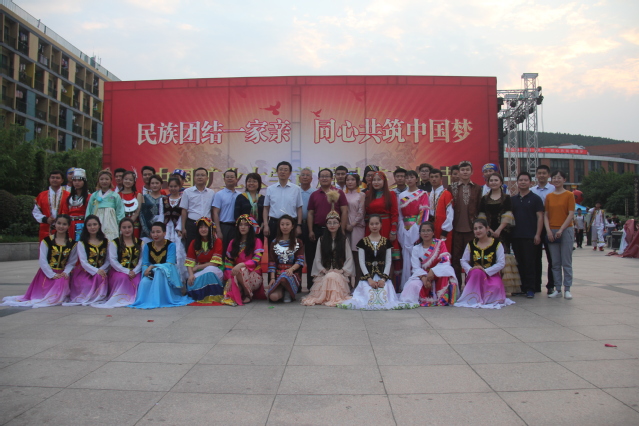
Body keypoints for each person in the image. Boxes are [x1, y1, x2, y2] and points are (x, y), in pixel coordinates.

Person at [338, 215, 416, 310]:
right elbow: (361, 262)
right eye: (372, 224)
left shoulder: (386, 242)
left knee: (384, 296)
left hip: (382, 277)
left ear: (381, 225)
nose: (374, 226)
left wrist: (383, 279)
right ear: (368, 226)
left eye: (376, 223)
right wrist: (369, 279)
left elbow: (388, 262)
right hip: (367, 277)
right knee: (367, 296)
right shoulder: (362, 242)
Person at [1, 215, 77, 308]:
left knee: (62, 281)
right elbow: (42, 260)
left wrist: (65, 272)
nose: (61, 226)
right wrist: (52, 274)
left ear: (69, 226)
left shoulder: (72, 244)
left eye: (64, 224)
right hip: (47, 273)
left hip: (62, 273)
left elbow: (72, 261)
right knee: (52, 290)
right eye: (59, 223)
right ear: (55, 224)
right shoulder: (47, 241)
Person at [129, 222, 193, 309]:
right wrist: (146, 272)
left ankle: (159, 300)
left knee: (159, 271)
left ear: (164, 233)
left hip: (167, 274)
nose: (155, 235)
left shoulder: (171, 245)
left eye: (158, 232)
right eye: (153, 232)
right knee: (144, 282)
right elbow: (145, 263)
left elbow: (170, 263)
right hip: (151, 274)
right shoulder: (147, 246)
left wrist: (153, 267)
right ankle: (147, 301)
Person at [454, 219, 514, 309]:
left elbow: (501, 263)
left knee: (495, 287)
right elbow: (463, 260)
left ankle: (482, 298)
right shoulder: (471, 244)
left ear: (487, 228)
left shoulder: (497, 244)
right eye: (475, 229)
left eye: (480, 228)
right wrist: (471, 269)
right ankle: (475, 298)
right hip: (475, 276)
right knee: (477, 272)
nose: (478, 231)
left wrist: (485, 271)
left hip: (491, 275)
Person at [301, 205, 354, 306]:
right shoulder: (321, 240)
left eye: (335, 223)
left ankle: (332, 297)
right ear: (326, 225)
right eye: (329, 223)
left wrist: (342, 270)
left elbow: (349, 258)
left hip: (339, 273)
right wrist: (324, 270)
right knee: (329, 276)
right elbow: (317, 258)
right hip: (324, 273)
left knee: (333, 276)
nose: (332, 225)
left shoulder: (344, 240)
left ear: (339, 224)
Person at [478, 173, 520, 296]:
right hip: (488, 232)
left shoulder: (506, 198)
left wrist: (499, 230)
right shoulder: (484, 198)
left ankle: (505, 288)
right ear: (488, 183)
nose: (494, 182)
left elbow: (508, 214)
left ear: (501, 182)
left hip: (504, 232)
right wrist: (489, 229)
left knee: (504, 256)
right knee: (490, 256)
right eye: (491, 180)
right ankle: (489, 285)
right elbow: (481, 215)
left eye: (496, 180)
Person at [399, 222, 458, 306]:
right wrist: (424, 278)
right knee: (413, 285)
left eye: (428, 230)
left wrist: (433, 271)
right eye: (423, 231)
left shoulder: (440, 243)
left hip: (438, 273)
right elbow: (416, 267)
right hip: (423, 275)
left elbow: (445, 260)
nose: (425, 233)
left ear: (433, 233)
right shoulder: (416, 248)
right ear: (420, 233)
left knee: (447, 271)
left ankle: (442, 299)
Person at [307, 169, 348, 290]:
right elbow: (310, 213)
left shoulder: (339, 193)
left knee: (335, 258)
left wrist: (342, 229)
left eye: (327, 176)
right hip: (319, 230)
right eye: (322, 176)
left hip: (335, 231)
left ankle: (337, 285)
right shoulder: (314, 194)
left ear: (332, 178)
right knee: (315, 258)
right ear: (318, 179)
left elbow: (344, 211)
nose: (324, 178)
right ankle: (313, 286)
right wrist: (311, 230)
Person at [92, 218, 143, 308]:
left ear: (133, 227)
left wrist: (135, 271)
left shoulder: (140, 243)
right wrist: (127, 271)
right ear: (120, 228)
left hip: (135, 271)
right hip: (118, 271)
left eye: (129, 227)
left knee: (138, 281)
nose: (127, 230)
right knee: (123, 278)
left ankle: (134, 299)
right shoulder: (115, 243)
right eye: (124, 227)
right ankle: (121, 299)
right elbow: (113, 260)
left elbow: (141, 259)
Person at [364, 171, 401, 292]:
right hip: (371, 227)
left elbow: (395, 213)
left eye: (379, 180)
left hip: (386, 226)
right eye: (374, 180)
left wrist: (393, 230)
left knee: (387, 257)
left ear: (384, 181)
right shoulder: (368, 194)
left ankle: (389, 287)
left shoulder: (391, 194)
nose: (376, 182)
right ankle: (370, 286)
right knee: (371, 257)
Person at [448, 161, 483, 286]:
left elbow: (480, 208)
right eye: (462, 170)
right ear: (458, 172)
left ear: (472, 172)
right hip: (456, 228)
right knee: (456, 259)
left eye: (467, 170)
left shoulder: (478, 188)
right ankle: (457, 287)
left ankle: (471, 286)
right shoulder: (451, 188)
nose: (465, 172)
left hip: (472, 229)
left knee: (472, 259)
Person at [511, 172, 544, 298]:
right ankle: (522, 288)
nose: (523, 182)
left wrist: (538, 234)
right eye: (521, 180)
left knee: (530, 263)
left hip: (530, 236)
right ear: (517, 183)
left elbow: (540, 217)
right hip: (516, 236)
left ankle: (531, 288)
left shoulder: (536, 199)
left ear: (530, 182)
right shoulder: (513, 199)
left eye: (525, 180)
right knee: (519, 263)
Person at [64, 215, 110, 306]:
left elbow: (108, 260)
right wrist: (96, 271)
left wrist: (101, 270)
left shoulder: (106, 241)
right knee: (87, 285)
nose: (92, 227)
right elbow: (83, 262)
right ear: (86, 227)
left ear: (99, 225)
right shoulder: (82, 243)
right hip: (86, 271)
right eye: (89, 225)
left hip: (103, 270)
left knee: (103, 278)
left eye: (95, 224)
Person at [545, 170, 575, 300]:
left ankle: (567, 288)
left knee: (566, 262)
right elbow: (546, 215)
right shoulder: (549, 196)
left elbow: (571, 213)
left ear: (564, 180)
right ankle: (557, 289)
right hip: (552, 230)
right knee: (555, 262)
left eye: (559, 177)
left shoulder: (569, 195)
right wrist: (548, 231)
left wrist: (561, 229)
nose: (556, 180)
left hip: (566, 230)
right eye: (554, 178)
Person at [396, 170, 429, 290]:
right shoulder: (401, 195)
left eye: (411, 177)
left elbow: (424, 212)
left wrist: (417, 228)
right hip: (404, 228)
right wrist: (402, 227)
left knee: (416, 255)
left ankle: (419, 286)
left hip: (417, 228)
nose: (409, 180)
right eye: (407, 178)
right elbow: (399, 214)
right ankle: (406, 285)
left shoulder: (422, 194)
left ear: (416, 179)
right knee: (405, 256)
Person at [223, 215, 265, 305]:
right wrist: (229, 278)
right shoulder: (233, 242)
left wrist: (241, 265)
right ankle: (241, 290)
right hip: (236, 274)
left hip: (253, 275)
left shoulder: (257, 241)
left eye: (246, 225)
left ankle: (247, 294)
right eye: (241, 225)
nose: (243, 227)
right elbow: (228, 262)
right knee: (229, 293)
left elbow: (256, 260)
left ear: (250, 227)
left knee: (241, 270)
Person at [185, 218, 225, 304]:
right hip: (200, 271)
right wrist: (191, 275)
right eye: (201, 227)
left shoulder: (217, 241)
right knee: (190, 282)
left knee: (210, 271)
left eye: (205, 227)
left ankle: (213, 295)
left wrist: (198, 267)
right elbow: (189, 262)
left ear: (210, 228)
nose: (203, 229)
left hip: (215, 270)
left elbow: (215, 263)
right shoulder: (194, 243)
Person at [263, 161, 303, 245]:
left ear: (290, 173)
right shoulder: (270, 189)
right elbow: (266, 208)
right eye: (280, 169)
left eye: (285, 170)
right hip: (274, 224)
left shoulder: (296, 189)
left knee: (291, 248)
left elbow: (299, 208)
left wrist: (298, 225)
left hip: (290, 224)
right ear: (277, 172)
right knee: (273, 248)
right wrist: (266, 225)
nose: (282, 172)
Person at [267, 215, 305, 303]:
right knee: (273, 297)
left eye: (287, 224)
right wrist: (272, 278)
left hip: (292, 274)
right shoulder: (274, 242)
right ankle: (282, 291)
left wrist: (291, 269)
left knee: (285, 277)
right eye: (282, 224)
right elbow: (272, 262)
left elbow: (300, 260)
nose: (285, 227)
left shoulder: (298, 242)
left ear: (292, 226)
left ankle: (288, 291)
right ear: (279, 226)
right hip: (278, 275)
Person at [531, 164, 554, 293]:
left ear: (548, 175)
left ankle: (551, 285)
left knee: (552, 258)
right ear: (536, 175)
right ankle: (536, 284)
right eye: (539, 173)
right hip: (536, 227)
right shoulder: (532, 191)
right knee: (535, 257)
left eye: (544, 173)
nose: (541, 175)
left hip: (551, 226)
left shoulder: (553, 189)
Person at [180, 167, 215, 249]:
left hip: (207, 225)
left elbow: (213, 211)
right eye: (197, 175)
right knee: (191, 247)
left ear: (207, 178)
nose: (200, 177)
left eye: (202, 175)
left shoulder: (211, 193)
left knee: (206, 248)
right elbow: (184, 210)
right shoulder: (187, 192)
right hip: (191, 224)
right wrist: (183, 228)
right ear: (194, 177)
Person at [86, 170, 125, 241]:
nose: (104, 181)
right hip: (96, 221)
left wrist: (121, 225)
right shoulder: (94, 195)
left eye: (107, 179)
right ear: (98, 181)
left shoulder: (115, 196)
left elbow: (120, 212)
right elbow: (89, 210)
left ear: (111, 180)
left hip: (111, 222)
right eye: (101, 179)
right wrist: (87, 222)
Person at [33, 170, 70, 241]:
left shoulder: (68, 195)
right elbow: (36, 212)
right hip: (46, 229)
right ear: (49, 179)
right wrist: (46, 219)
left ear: (62, 180)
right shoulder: (41, 195)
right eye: (52, 177)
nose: (55, 180)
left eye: (57, 178)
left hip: (64, 229)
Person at [164, 177, 187, 282]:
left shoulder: (182, 199)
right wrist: (162, 229)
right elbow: (161, 215)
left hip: (177, 229)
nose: (173, 188)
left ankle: (179, 279)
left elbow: (183, 215)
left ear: (180, 187)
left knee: (178, 252)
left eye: (175, 186)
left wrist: (180, 228)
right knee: (166, 251)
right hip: (166, 230)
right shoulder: (164, 199)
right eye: (171, 186)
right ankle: (167, 277)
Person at [344, 172, 365, 285]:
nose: (350, 182)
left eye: (352, 179)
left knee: (357, 255)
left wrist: (352, 224)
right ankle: (346, 284)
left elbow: (361, 211)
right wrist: (345, 225)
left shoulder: (361, 195)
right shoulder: (343, 194)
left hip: (357, 227)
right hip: (345, 226)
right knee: (347, 255)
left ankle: (358, 284)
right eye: (348, 180)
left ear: (357, 182)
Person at [213, 169, 240, 253]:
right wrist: (218, 230)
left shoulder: (240, 195)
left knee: (235, 250)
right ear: (224, 179)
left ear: (236, 179)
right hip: (224, 226)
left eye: (232, 177)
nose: (230, 178)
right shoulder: (219, 194)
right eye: (227, 177)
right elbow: (215, 213)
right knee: (223, 250)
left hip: (237, 227)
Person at [234, 172, 265, 243]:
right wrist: (243, 226)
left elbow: (265, 215)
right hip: (243, 231)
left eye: (254, 181)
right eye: (249, 181)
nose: (251, 183)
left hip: (259, 231)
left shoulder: (263, 198)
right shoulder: (240, 197)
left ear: (259, 184)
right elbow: (236, 215)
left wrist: (262, 226)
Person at [298, 167, 316, 288]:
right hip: (297, 225)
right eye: (303, 175)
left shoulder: (315, 192)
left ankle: (311, 285)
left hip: (311, 226)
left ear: (311, 179)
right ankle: (296, 284)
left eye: (307, 175)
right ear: (299, 178)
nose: (305, 177)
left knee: (311, 256)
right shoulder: (295, 191)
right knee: (297, 255)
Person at [428, 168, 454, 250]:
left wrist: (445, 231)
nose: (434, 179)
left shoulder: (447, 194)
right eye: (432, 177)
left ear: (441, 178)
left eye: (436, 177)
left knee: (443, 251)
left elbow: (450, 214)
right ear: (429, 179)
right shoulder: (428, 194)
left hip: (443, 228)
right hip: (430, 229)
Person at [67, 168, 90, 241]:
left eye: (79, 180)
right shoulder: (69, 198)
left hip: (82, 224)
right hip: (70, 225)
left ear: (84, 182)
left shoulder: (89, 197)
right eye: (74, 180)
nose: (77, 183)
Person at [139, 174, 164, 241]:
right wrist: (147, 231)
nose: (154, 185)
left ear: (161, 184)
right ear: (149, 185)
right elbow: (141, 214)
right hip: (146, 233)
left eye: (157, 183)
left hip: (161, 234)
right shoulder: (144, 197)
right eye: (152, 183)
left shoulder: (165, 199)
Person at [119, 171, 142, 238]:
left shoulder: (138, 195)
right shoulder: (117, 195)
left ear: (134, 182)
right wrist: (124, 225)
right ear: (122, 180)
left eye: (130, 180)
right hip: (121, 225)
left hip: (134, 225)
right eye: (126, 179)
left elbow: (137, 212)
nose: (128, 181)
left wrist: (129, 224)